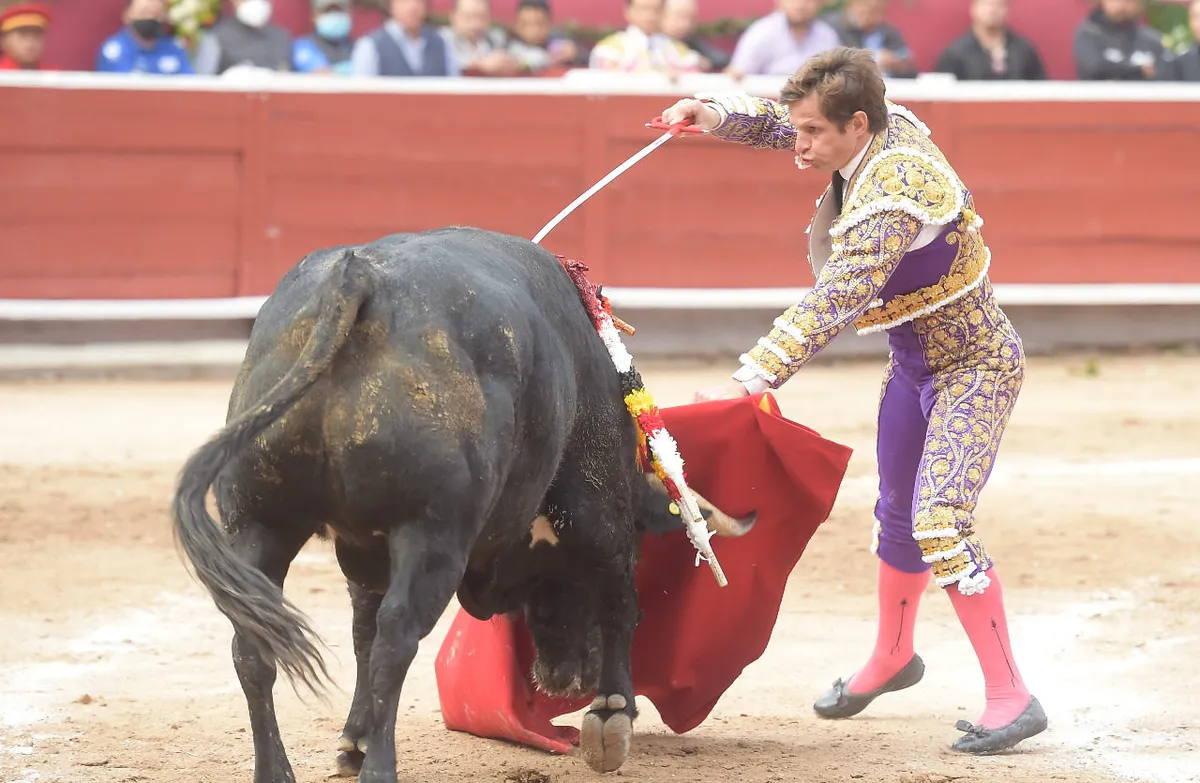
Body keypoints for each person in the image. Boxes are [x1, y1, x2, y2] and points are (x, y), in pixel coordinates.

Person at [657, 46, 1048, 755]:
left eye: (813, 134)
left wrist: (750, 380)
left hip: (976, 368)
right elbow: (784, 124)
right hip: (912, 367)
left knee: (940, 519)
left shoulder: (895, 193)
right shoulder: (872, 127)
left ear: (857, 123)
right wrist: (712, 114)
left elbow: (834, 300)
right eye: (801, 130)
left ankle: (1010, 694)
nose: (798, 144)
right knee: (896, 513)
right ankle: (893, 655)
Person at [96, 0, 195, 75]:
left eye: (155, 16)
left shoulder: (175, 49)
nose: (152, 3)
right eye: (144, 14)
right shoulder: (114, 50)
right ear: (127, 13)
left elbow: (190, 86)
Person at [0, 2, 51, 71]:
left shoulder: (54, 75)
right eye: (22, 36)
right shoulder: (2, 72)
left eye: (36, 36)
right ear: (3, 41)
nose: (30, 42)